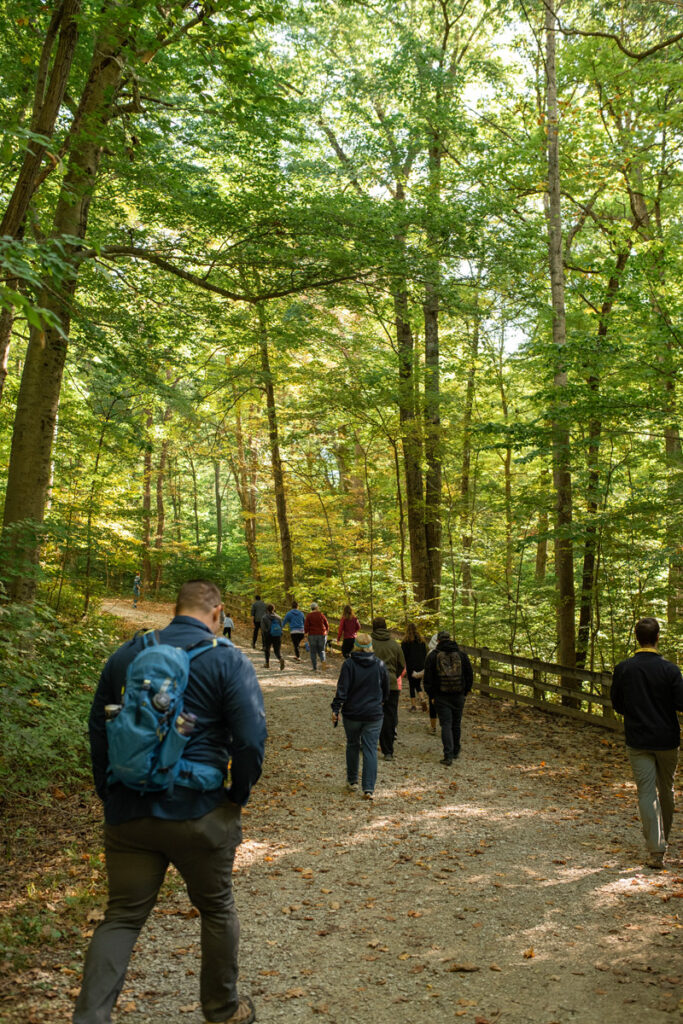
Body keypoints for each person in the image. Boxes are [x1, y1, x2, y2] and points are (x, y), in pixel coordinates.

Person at [73, 580, 267, 1024]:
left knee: (121, 917)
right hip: (199, 811)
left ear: (174, 609)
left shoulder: (127, 656)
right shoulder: (226, 658)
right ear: (216, 612)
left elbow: (97, 728)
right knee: (216, 908)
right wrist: (237, 794)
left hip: (129, 810)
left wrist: (110, 791)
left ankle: (89, 1019)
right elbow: (251, 738)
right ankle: (222, 1009)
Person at [610, 616, 683, 869]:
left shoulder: (624, 668)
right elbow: (680, 704)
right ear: (658, 638)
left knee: (646, 791)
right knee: (667, 789)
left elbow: (617, 704)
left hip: (638, 738)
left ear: (636, 637)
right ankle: (663, 840)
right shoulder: (671, 670)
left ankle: (656, 848)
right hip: (667, 739)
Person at [331, 633, 389, 800]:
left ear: (355, 645)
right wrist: (381, 702)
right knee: (370, 748)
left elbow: (342, 689)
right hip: (373, 713)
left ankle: (352, 781)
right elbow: (386, 690)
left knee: (352, 745)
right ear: (371, 646)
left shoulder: (349, 664)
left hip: (352, 713)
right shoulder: (379, 664)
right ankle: (368, 788)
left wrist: (336, 708)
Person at [423, 629, 473, 766]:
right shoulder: (462, 655)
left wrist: (431, 695)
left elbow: (428, 678)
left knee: (445, 724)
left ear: (438, 640)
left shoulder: (433, 656)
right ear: (450, 638)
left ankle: (448, 755)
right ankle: (456, 751)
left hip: (441, 695)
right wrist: (466, 691)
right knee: (456, 724)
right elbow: (469, 675)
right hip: (458, 695)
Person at [370, 617, 406, 761]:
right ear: (386, 627)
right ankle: (388, 751)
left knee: (369, 714)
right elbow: (402, 666)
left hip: (370, 684)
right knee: (389, 717)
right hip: (391, 685)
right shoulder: (395, 645)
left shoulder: (368, 643)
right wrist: (392, 676)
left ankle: (368, 745)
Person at [401, 622, 428, 713]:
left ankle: (413, 706)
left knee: (412, 685)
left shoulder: (405, 641)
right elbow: (425, 654)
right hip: (421, 665)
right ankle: (422, 699)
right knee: (417, 684)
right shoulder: (422, 641)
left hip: (411, 665)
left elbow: (403, 655)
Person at [304, 601, 329, 672]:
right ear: (317, 607)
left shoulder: (309, 615)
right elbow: (326, 624)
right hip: (322, 634)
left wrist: (306, 633)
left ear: (311, 608)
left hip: (312, 635)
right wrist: (326, 631)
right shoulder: (321, 615)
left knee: (313, 651)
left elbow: (306, 626)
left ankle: (314, 667)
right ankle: (323, 661)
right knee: (321, 650)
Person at [261, 603, 285, 671]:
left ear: (267, 610)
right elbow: (281, 627)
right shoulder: (278, 617)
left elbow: (263, 628)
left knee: (267, 649)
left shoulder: (264, 617)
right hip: (277, 635)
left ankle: (267, 663)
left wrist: (264, 636)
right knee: (277, 650)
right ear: (273, 609)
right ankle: (280, 658)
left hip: (268, 635)